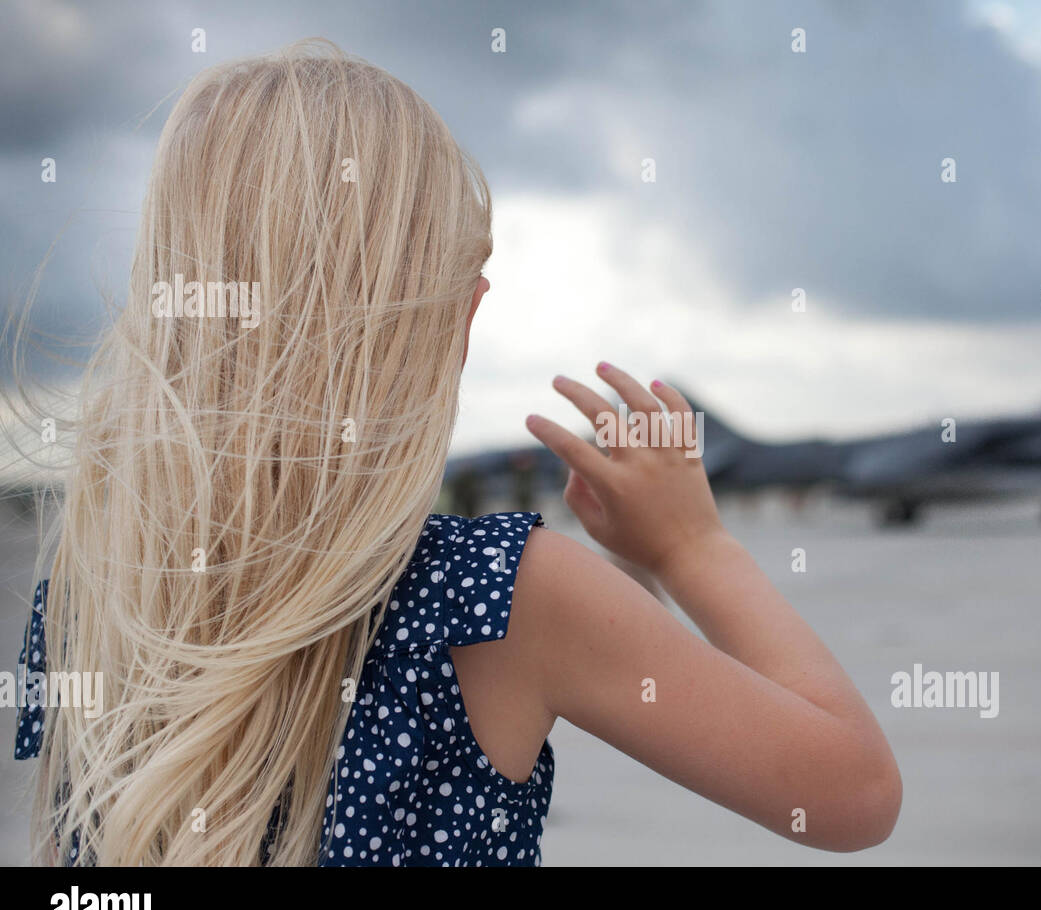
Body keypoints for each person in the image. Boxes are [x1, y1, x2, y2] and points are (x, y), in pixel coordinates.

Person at [11, 40, 900, 866]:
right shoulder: (497, 596)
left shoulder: (85, 599)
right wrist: (693, 548)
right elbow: (853, 793)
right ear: (457, 321)